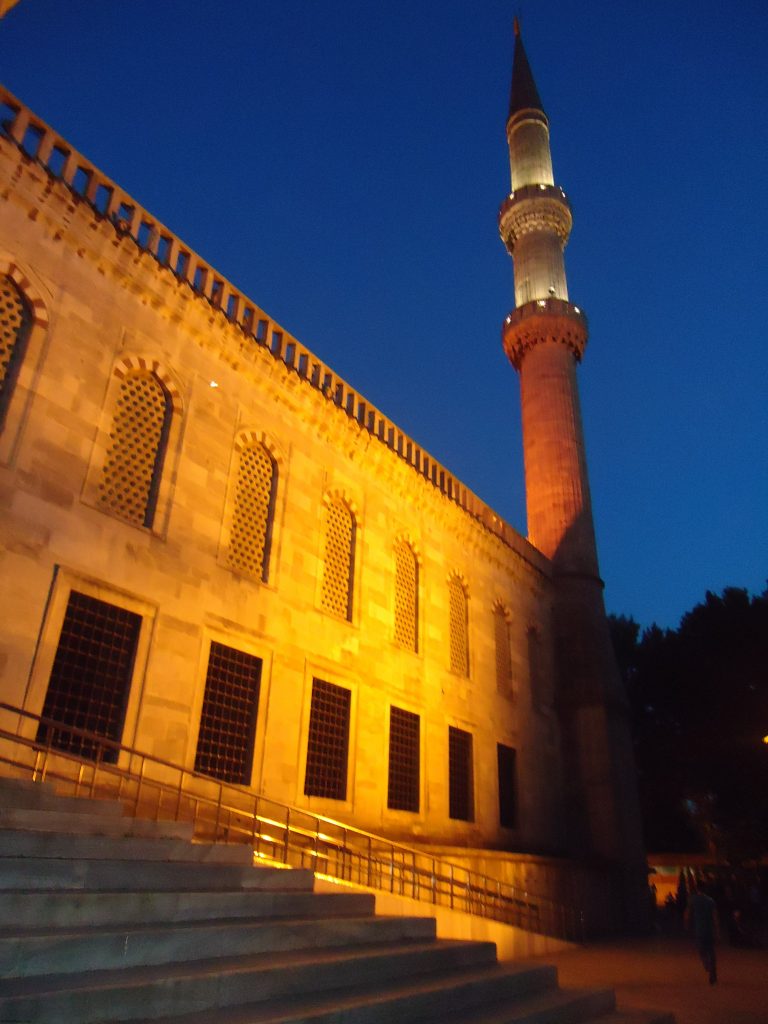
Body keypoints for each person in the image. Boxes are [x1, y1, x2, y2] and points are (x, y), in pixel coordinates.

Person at [685, 879, 719, 984]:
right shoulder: (710, 901)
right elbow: (715, 917)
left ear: (697, 888)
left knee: (701, 950)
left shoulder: (692, 900)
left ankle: (706, 964)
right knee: (711, 951)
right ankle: (712, 971)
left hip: (699, 929)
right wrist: (717, 930)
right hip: (709, 929)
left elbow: (687, 914)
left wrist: (686, 925)